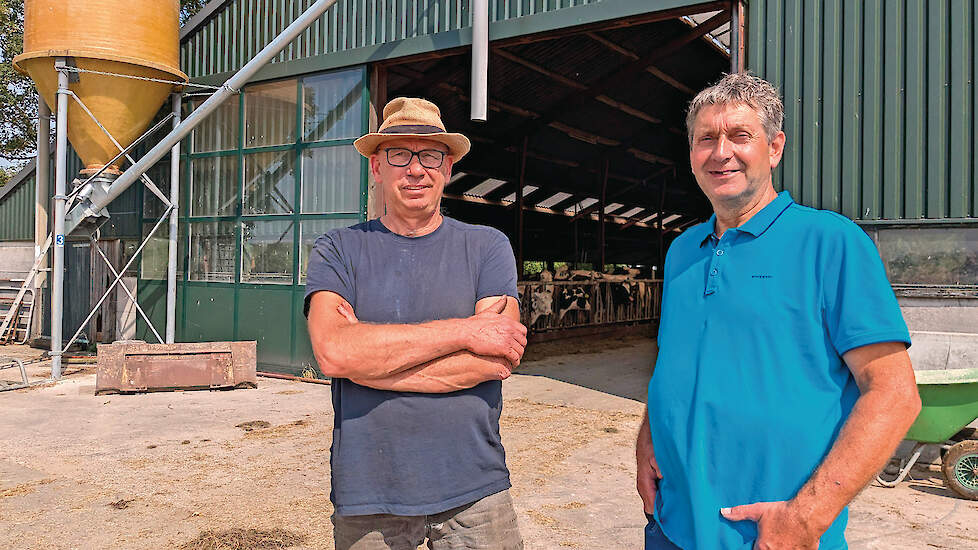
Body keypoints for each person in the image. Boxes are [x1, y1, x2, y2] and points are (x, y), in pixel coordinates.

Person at [636, 73, 921, 550]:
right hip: (671, 525)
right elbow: (677, 361)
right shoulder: (684, 249)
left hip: (772, 535)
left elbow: (894, 394)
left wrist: (806, 517)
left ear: (774, 147)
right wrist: (647, 437)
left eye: (739, 136)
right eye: (706, 138)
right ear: (691, 154)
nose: (720, 152)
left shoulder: (830, 242)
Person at [304, 97, 525, 550]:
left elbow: (498, 357)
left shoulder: (487, 246)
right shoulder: (339, 249)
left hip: (474, 483)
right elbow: (333, 353)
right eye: (399, 155)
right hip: (370, 487)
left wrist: (371, 362)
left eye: (429, 155)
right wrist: (465, 331)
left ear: (447, 167)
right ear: (376, 167)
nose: (415, 169)